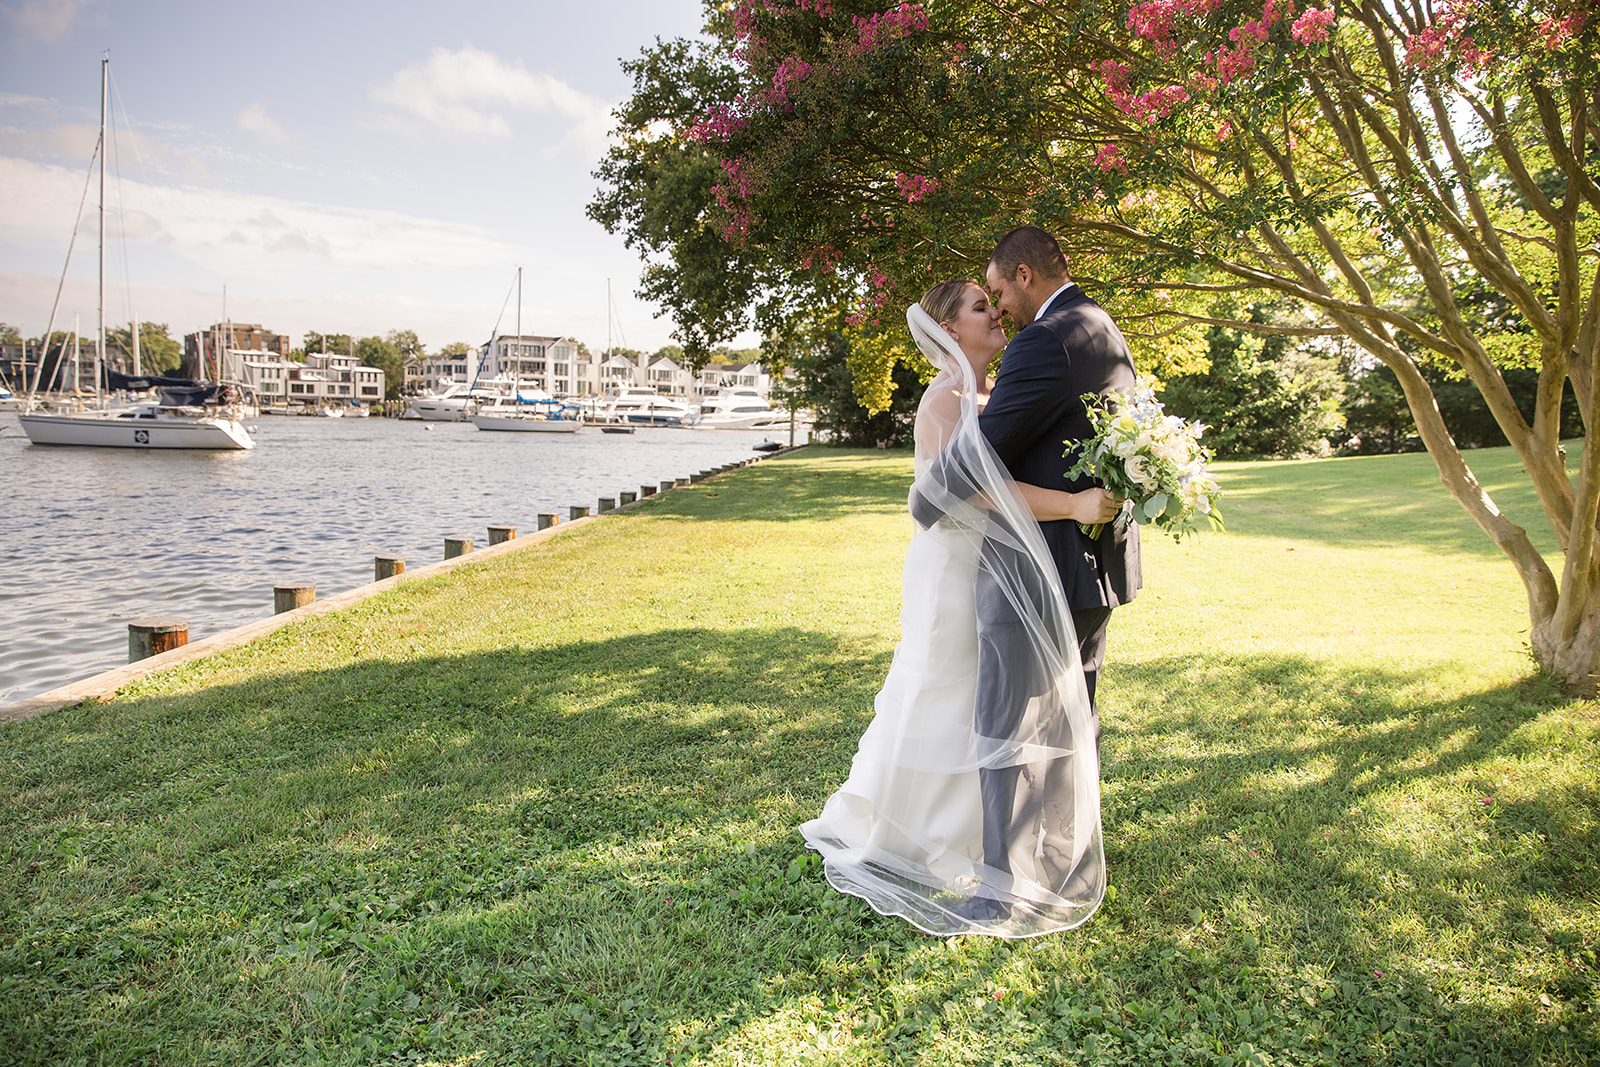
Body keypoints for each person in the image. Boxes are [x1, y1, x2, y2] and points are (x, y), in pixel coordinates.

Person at [800, 271, 1121, 937]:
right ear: (952, 330)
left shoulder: (992, 392)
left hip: (993, 566)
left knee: (986, 697)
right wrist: (1071, 504)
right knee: (947, 689)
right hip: (954, 567)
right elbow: (972, 490)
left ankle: (991, 838)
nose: (996, 312)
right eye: (981, 307)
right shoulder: (946, 398)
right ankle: (913, 828)